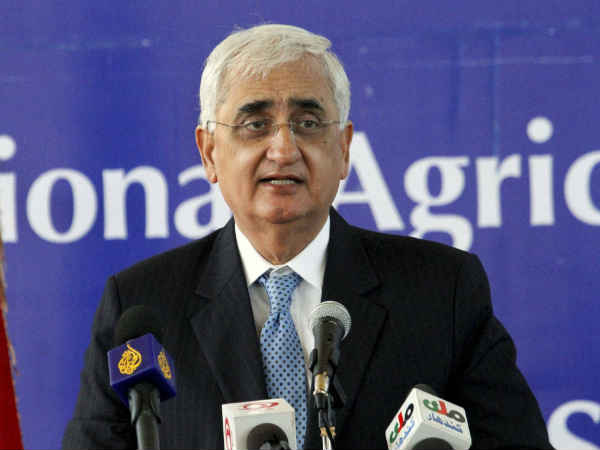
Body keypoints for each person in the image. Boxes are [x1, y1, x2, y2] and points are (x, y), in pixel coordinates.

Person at [63, 24, 553, 449]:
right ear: (209, 152)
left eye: (308, 123)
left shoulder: (441, 292)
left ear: (343, 149)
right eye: (256, 124)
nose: (283, 148)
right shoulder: (141, 308)